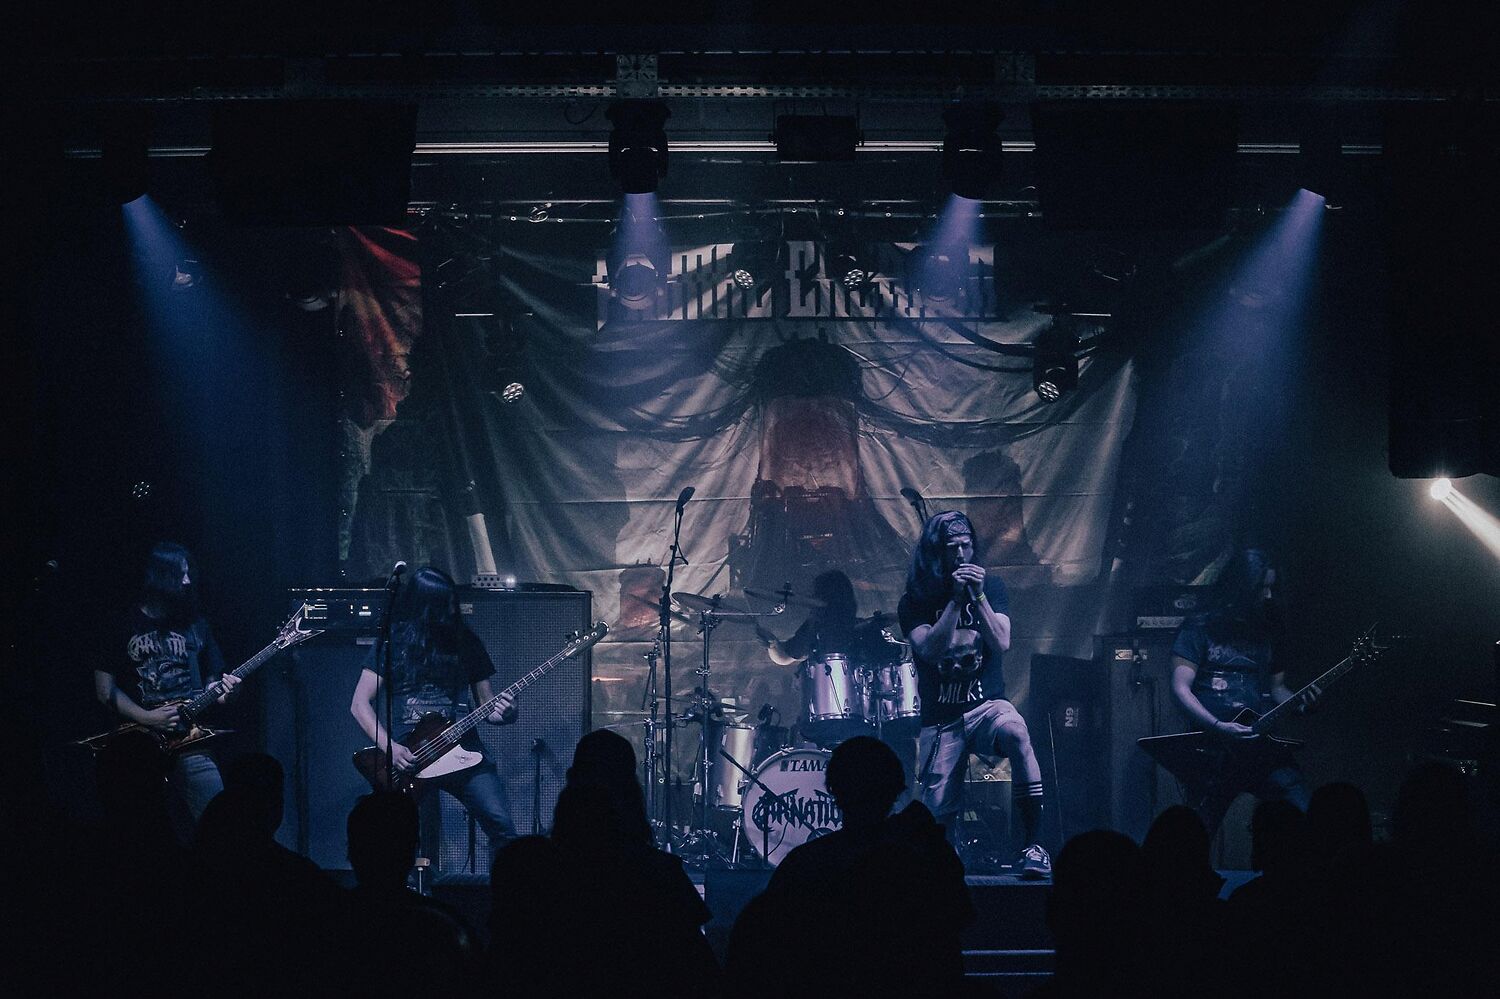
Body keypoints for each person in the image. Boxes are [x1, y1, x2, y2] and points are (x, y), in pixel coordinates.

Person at [725, 736, 972, 998]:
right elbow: (962, 917)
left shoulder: (805, 863)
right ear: (897, 788)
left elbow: (763, 942)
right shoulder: (926, 850)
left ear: (833, 790)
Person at [897, 510, 1051, 878]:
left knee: (1017, 733)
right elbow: (930, 649)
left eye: (966, 546)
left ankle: (1034, 845)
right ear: (936, 553)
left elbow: (1001, 641)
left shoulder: (991, 588)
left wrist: (977, 596)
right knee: (936, 815)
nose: (961, 554)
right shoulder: (915, 600)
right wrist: (953, 601)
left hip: (986, 705)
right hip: (942, 718)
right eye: (953, 547)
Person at [350, 566, 519, 849]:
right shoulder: (393, 643)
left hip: (463, 750)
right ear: (425, 607)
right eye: (445, 604)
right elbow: (359, 704)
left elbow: (488, 707)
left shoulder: (467, 642)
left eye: (453, 602)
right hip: (409, 756)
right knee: (392, 839)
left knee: (502, 827)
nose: (452, 610)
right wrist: (390, 748)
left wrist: (508, 713)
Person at [1169, 548, 1319, 834]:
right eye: (1262, 588)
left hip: (1258, 745)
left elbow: (1277, 689)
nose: (1268, 596)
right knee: (1197, 830)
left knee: (1302, 809)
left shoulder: (1270, 629)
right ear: (1241, 588)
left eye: (1271, 588)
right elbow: (1180, 688)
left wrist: (1301, 703)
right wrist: (1218, 726)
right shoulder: (1200, 627)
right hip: (1213, 750)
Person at [93, 541, 241, 827]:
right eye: (179, 574)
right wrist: (147, 717)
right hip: (138, 745)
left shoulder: (196, 625)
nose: (187, 581)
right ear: (158, 576)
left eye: (188, 573)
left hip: (190, 742)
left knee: (219, 822)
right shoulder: (122, 624)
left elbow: (213, 689)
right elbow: (104, 690)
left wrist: (231, 692)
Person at [754, 569, 862, 746]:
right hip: (843, 720)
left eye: (815, 595)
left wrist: (773, 644)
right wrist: (772, 643)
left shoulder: (855, 629)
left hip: (827, 722)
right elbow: (785, 656)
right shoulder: (816, 627)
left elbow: (785, 657)